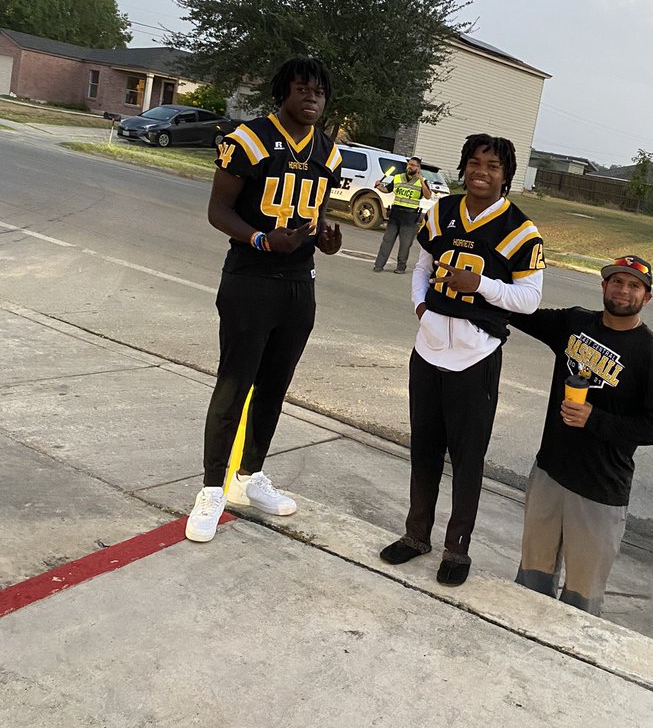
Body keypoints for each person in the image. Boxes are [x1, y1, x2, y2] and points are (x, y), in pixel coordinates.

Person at [185, 56, 343, 543]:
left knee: (274, 386)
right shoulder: (248, 140)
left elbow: (311, 217)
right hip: (251, 278)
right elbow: (218, 210)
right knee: (234, 384)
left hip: (299, 283)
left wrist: (325, 240)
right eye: (302, 88)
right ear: (284, 92)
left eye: (319, 91)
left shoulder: (328, 152)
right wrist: (260, 240)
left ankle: (250, 477)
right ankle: (212, 489)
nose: (311, 97)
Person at [379, 134, 545, 586]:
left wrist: (481, 285)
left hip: (477, 355)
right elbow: (421, 267)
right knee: (424, 450)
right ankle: (416, 535)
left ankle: (458, 548)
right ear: (463, 166)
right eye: (474, 163)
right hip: (428, 350)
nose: (481, 173)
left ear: (506, 175)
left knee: (468, 459)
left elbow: (529, 299)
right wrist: (420, 307)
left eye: (492, 166)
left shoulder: (521, 231)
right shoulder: (441, 211)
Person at [510, 255, 653, 615]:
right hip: (550, 474)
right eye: (616, 281)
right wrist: (483, 281)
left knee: (581, 600)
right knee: (530, 582)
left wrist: (594, 419)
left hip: (600, 492)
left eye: (634, 285)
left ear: (646, 298)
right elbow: (519, 312)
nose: (623, 290)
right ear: (603, 286)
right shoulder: (575, 323)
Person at [373, 155, 432, 274]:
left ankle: (401, 266)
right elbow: (387, 190)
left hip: (410, 216)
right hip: (395, 213)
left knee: (405, 244)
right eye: (409, 164)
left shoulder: (422, 181)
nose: (410, 167)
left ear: (419, 168)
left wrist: (422, 181)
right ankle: (379, 265)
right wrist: (380, 187)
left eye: (413, 165)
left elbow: (428, 196)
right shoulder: (398, 177)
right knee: (387, 240)